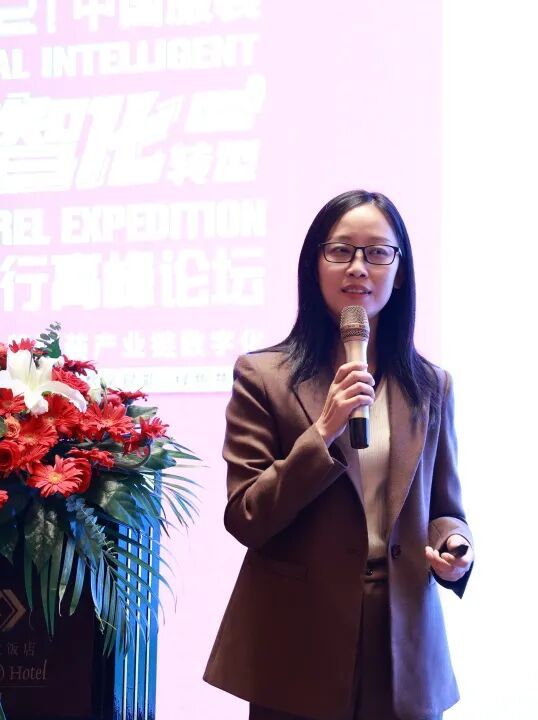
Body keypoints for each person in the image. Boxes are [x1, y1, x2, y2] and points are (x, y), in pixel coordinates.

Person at [204, 190, 474, 720]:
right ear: (315, 264)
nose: (358, 267)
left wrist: (454, 544)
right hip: (299, 643)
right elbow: (247, 516)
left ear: (400, 271)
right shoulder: (263, 377)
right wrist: (323, 430)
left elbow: (444, 508)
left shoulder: (430, 386)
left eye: (377, 252)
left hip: (403, 643)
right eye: (341, 250)